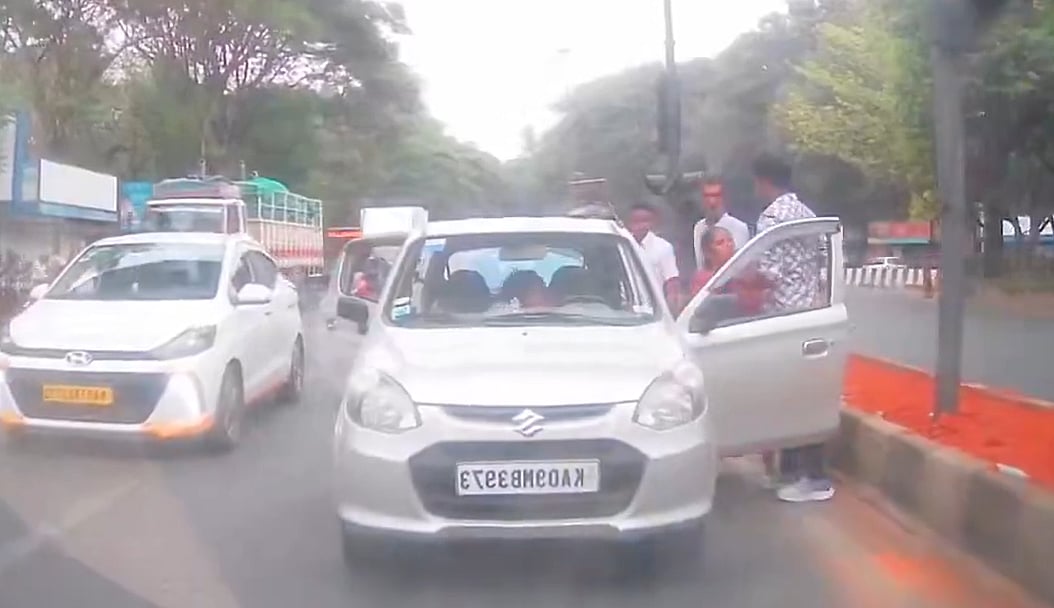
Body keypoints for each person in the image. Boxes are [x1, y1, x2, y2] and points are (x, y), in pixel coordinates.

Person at [752, 152, 833, 503]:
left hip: (783, 319)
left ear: (762, 181)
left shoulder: (770, 218)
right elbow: (821, 261)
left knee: (790, 398)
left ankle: (812, 477)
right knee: (803, 395)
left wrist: (739, 278)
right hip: (810, 315)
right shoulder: (807, 214)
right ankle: (794, 471)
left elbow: (769, 275)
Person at [626, 202, 680, 311]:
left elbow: (671, 282)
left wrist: (671, 311)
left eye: (644, 220)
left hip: (654, 311)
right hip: (628, 310)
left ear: (652, 223)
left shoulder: (663, 247)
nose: (640, 225)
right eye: (636, 221)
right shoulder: (625, 245)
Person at [692, 178, 750, 270]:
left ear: (724, 198)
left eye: (716, 195)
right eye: (707, 196)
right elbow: (700, 264)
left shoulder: (738, 227)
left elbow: (739, 266)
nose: (712, 201)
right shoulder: (698, 227)